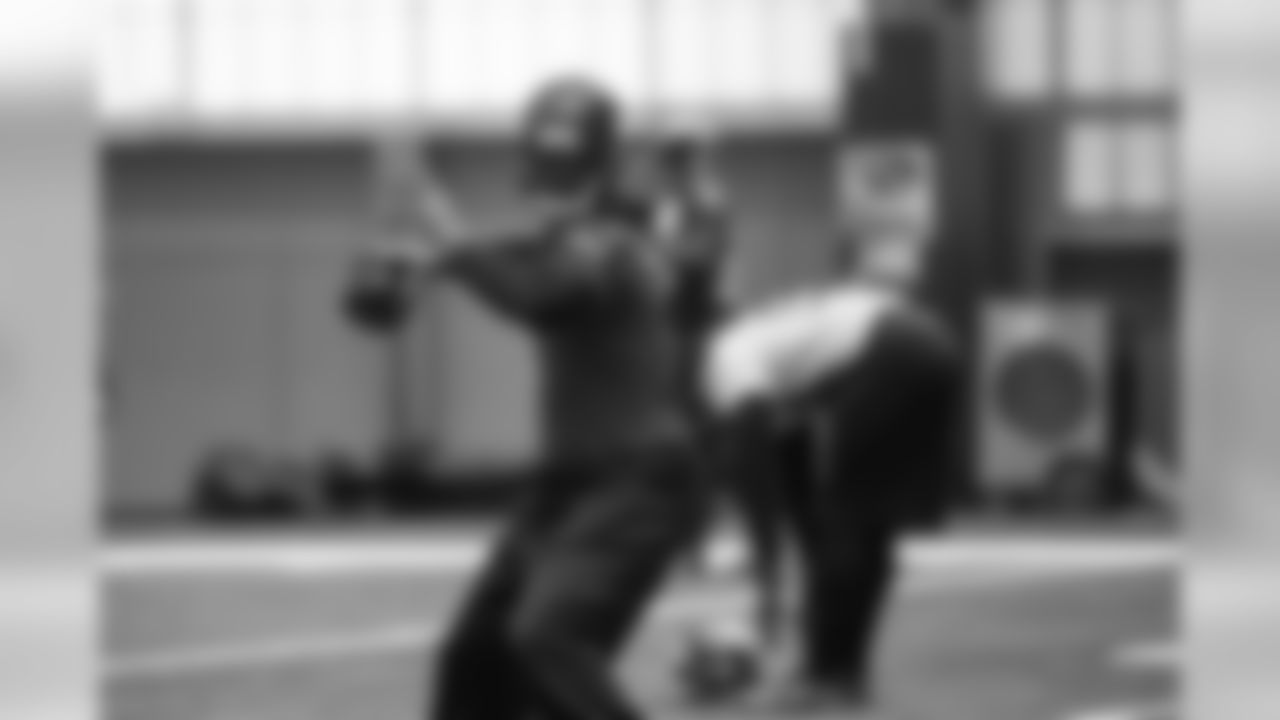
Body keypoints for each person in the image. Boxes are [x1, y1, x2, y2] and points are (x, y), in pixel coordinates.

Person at [363, 77, 720, 720]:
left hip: (640, 483)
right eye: (548, 168)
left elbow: (542, 294)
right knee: (475, 656)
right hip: (568, 486)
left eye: (565, 171)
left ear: (597, 171)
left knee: (548, 641)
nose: (553, 186)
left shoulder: (610, 240)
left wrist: (449, 244)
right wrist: (410, 270)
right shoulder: (572, 236)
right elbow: (393, 297)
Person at [704, 140, 963, 711]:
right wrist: (792, 559)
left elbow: (761, 493)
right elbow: (798, 505)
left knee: (848, 523)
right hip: (934, 343)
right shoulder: (776, 367)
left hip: (889, 349)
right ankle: (845, 674)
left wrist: (768, 586)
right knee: (864, 528)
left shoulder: (728, 362)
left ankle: (825, 675)